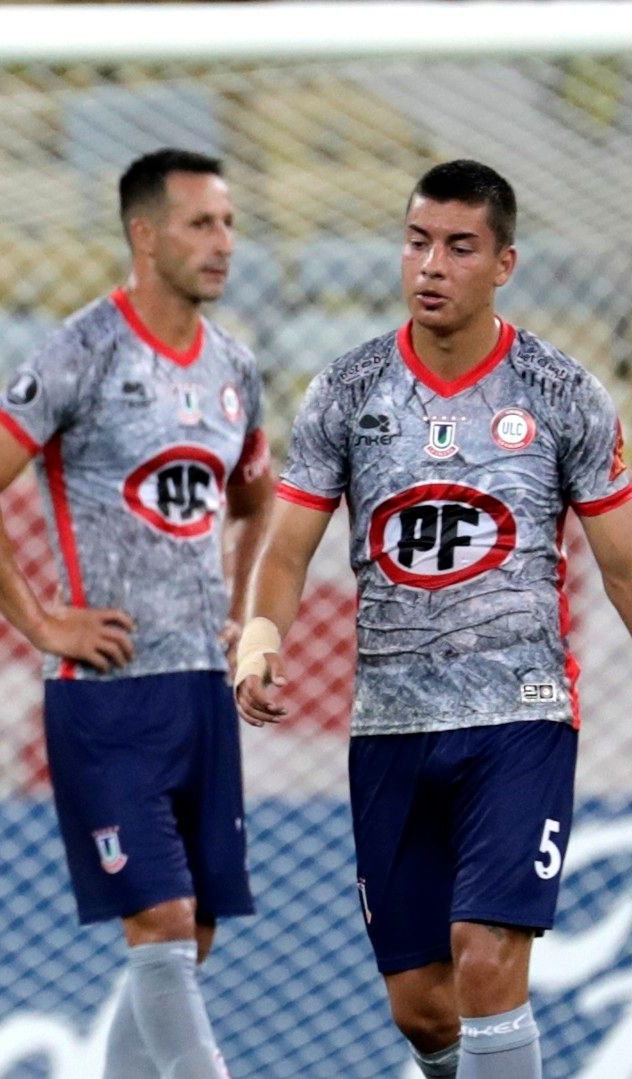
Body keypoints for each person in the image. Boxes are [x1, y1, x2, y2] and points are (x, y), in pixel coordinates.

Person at [234, 160, 632, 1079]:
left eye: (459, 247)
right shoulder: (348, 389)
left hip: (519, 716)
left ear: (504, 263)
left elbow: (622, 563)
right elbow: (286, 550)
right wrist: (260, 636)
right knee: (421, 1005)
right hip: (391, 725)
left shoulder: (561, 391)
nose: (432, 265)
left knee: (485, 959)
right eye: (417, 242)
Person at [0, 149, 270, 1079]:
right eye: (201, 224)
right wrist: (44, 622)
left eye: (229, 223)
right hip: (108, 691)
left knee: (193, 931)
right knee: (160, 921)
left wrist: (244, 614)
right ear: (144, 235)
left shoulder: (235, 367)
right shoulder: (82, 350)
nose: (223, 243)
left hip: (202, 686)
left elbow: (256, 501)